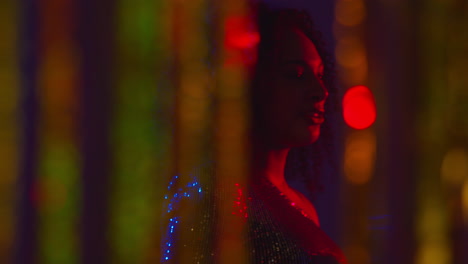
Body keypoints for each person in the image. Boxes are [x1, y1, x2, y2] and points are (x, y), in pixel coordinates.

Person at [161, 4, 347, 264]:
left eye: (319, 75)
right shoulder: (213, 200)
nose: (320, 92)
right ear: (249, 83)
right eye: (296, 74)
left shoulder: (303, 208)